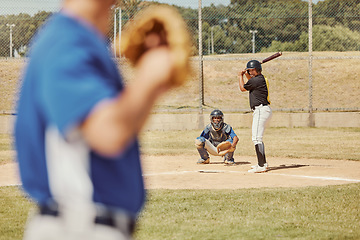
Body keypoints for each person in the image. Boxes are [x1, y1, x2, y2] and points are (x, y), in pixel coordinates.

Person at [14, 0, 179, 239]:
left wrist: (153, 86)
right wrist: (150, 75)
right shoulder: (67, 42)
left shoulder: (82, 39)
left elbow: (121, 128)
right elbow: (109, 134)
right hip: (79, 225)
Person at [238, 60, 272, 173]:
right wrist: (246, 73)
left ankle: (261, 165)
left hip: (261, 110)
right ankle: (263, 163)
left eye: (252, 70)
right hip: (262, 110)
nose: (251, 72)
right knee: (257, 138)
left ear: (258, 70)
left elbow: (243, 88)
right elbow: (250, 81)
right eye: (250, 70)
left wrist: (240, 76)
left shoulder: (257, 80)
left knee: (256, 138)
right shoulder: (258, 79)